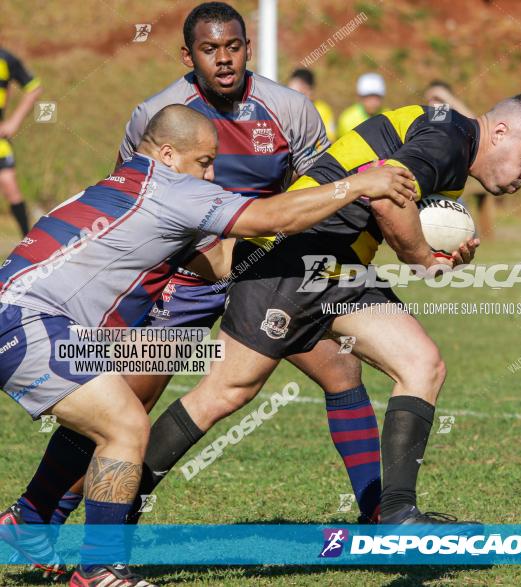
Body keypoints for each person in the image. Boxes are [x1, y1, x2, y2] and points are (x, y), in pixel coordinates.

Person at [1, 6, 388, 570]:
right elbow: (144, 206)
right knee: (122, 411)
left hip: (263, 267)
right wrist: (364, 186)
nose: (224, 58)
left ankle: (379, 513)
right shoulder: (158, 121)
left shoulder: (288, 109)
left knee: (340, 368)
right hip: (181, 282)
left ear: (248, 47)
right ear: (189, 56)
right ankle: (60, 531)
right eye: (210, 49)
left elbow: (309, 189)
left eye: (234, 46)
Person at [130, 94, 521, 525]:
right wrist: (425, 260)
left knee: (422, 364)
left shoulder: (447, 136)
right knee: (225, 392)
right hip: (292, 260)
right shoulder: (449, 141)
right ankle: (118, 505)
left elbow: (398, 209)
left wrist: (435, 251)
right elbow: (388, 196)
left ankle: (396, 515)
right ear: (499, 133)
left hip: (338, 269)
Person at [423, 80, 495, 240]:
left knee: (467, 236)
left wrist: (449, 99)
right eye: (432, 98)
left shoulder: (453, 120)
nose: (435, 103)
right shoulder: (424, 118)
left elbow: (479, 129)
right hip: (424, 189)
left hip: (449, 190)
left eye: (440, 99)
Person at [0, 47, 42, 236]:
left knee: (9, 184)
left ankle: (27, 242)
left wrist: (13, 122)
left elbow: (34, 88)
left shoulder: (6, 59)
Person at [288, 68, 336, 142]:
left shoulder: (322, 110)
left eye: (301, 91)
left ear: (309, 90)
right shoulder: (285, 110)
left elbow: (329, 139)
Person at [337, 72, 388, 137]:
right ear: (360, 97)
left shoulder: (388, 116)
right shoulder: (347, 119)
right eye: (369, 97)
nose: (373, 102)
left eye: (376, 97)